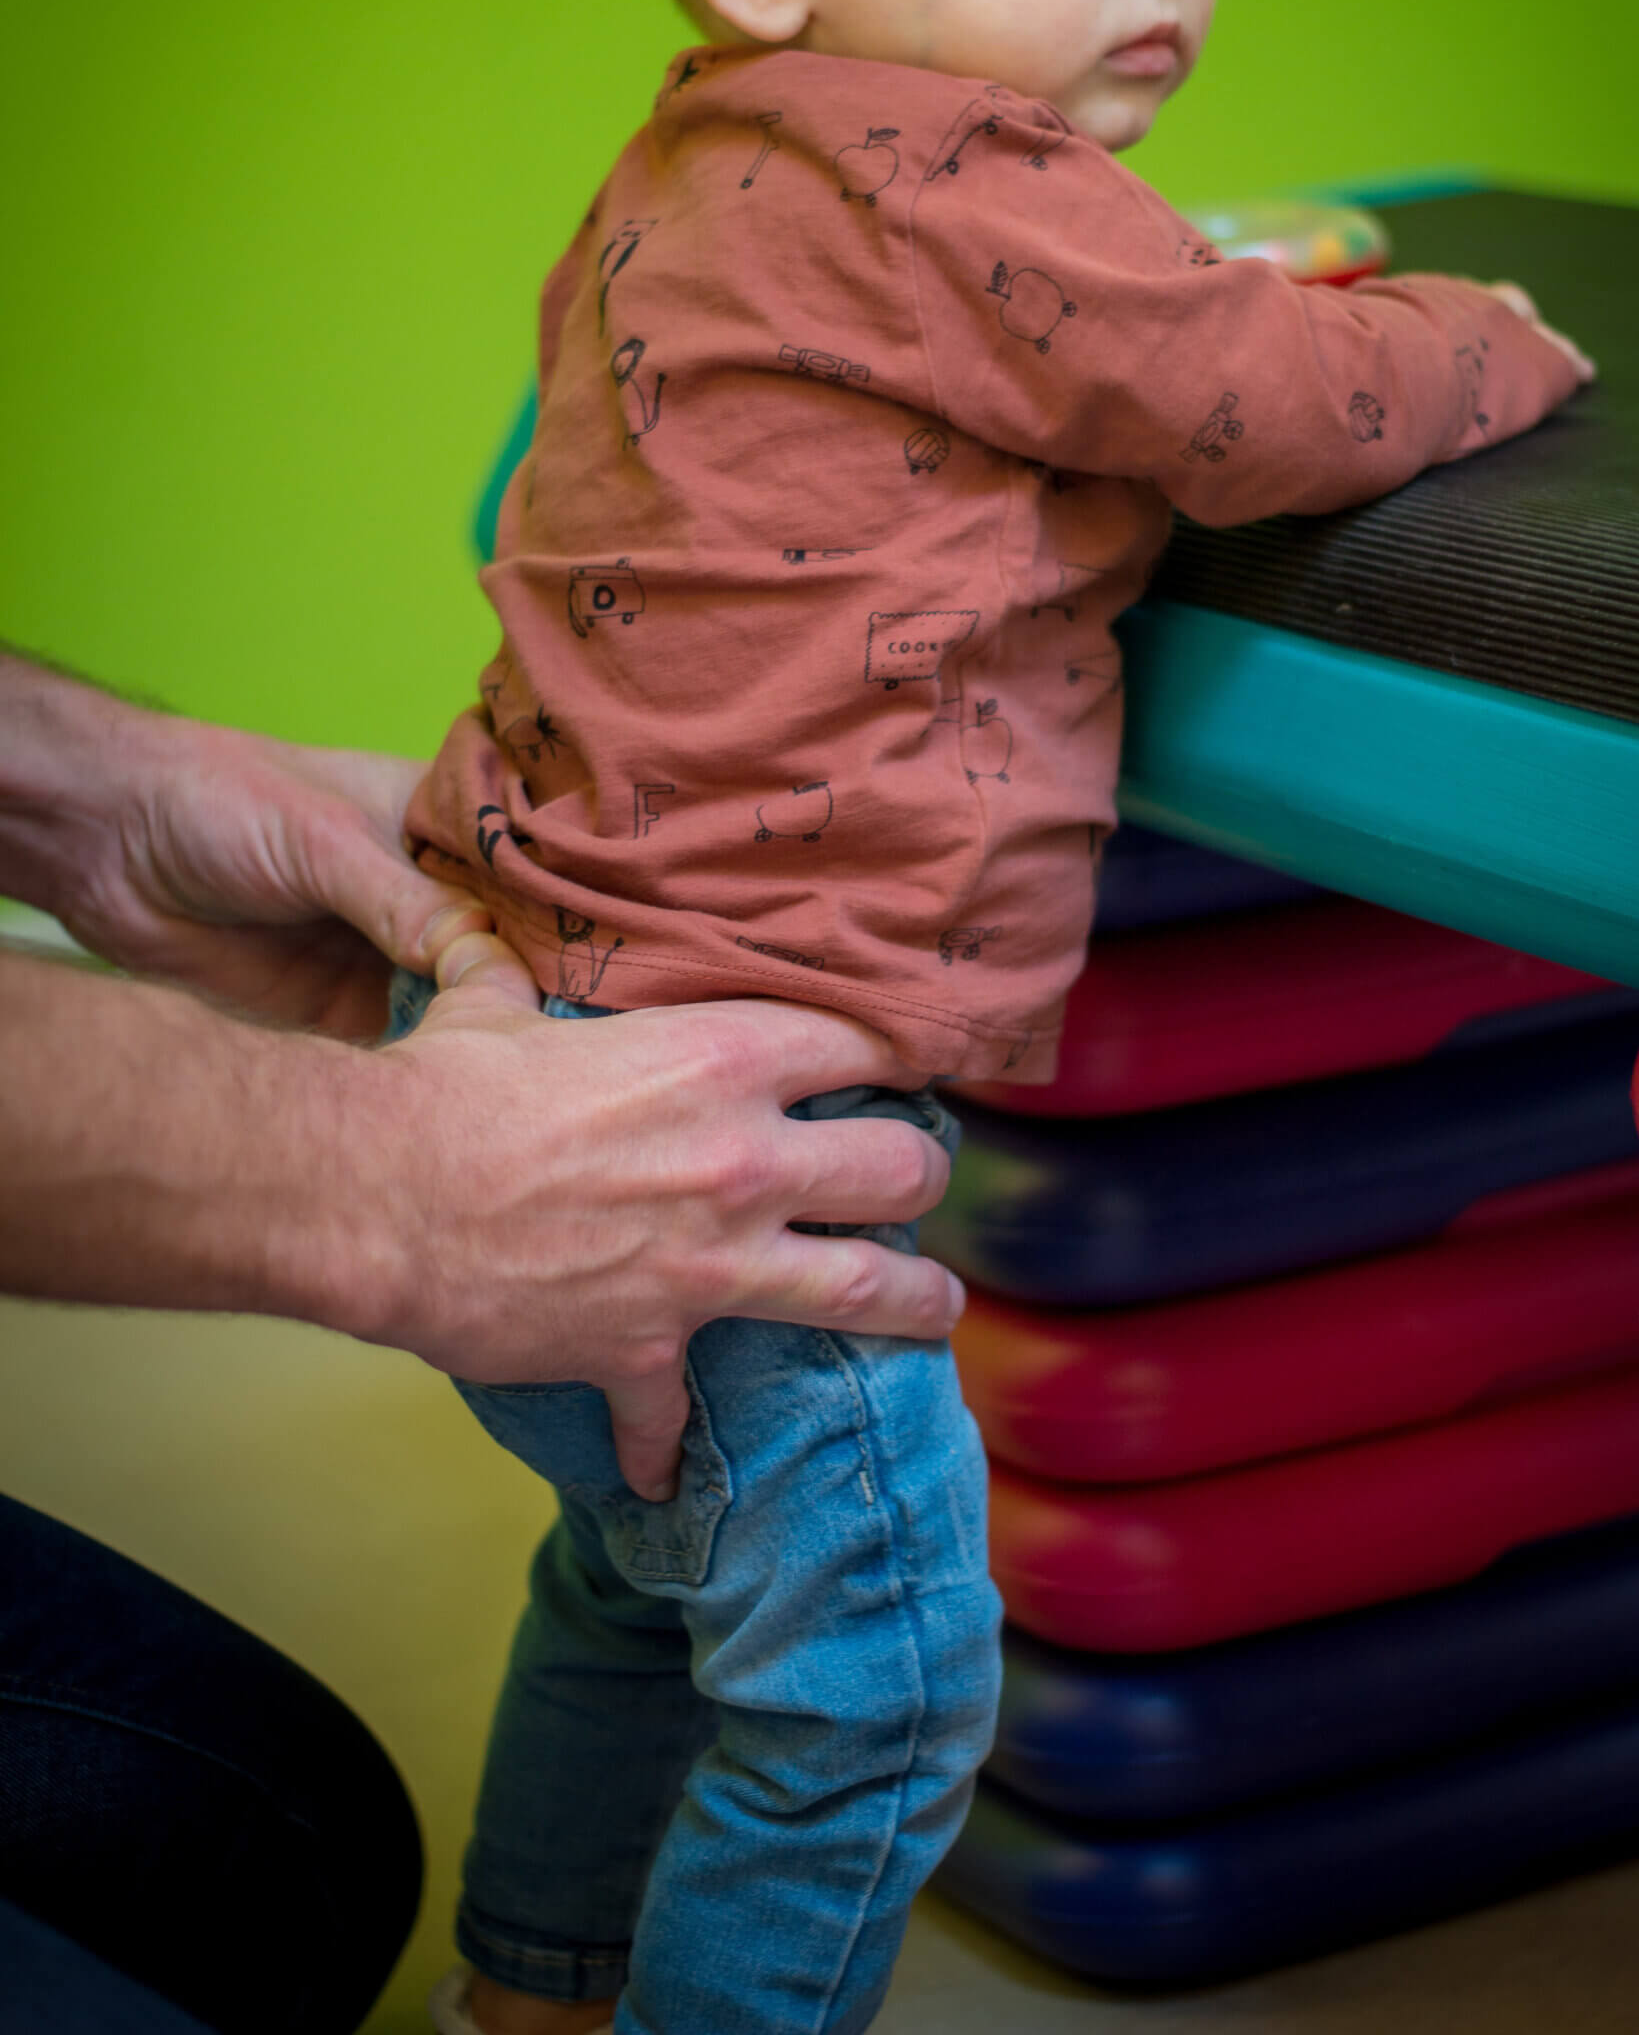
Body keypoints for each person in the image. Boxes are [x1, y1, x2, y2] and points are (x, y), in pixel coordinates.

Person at [396, 0, 1599, 2034]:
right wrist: (1484, 331)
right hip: (732, 1126)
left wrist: (1188, 273)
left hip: (510, 1037)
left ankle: (537, 1975)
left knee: (636, 1576)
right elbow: (1249, 399)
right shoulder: (964, 187)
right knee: (878, 1698)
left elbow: (1052, 342)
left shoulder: (701, 167)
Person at [0, 648, 964, 2032]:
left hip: (510, 999)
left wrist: (101, 792)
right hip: (527, 1031)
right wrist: (398, 1168)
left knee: (300, 1861)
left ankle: (528, 2004)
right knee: (878, 1688)